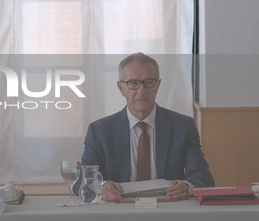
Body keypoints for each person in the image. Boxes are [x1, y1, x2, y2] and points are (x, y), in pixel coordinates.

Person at [77, 53, 214, 202]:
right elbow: (81, 181)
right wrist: (102, 187)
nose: (141, 90)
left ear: (158, 85)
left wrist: (187, 186)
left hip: (169, 210)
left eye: (149, 82)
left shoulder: (183, 126)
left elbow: (203, 177)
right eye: (133, 83)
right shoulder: (100, 131)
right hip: (118, 212)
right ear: (121, 87)